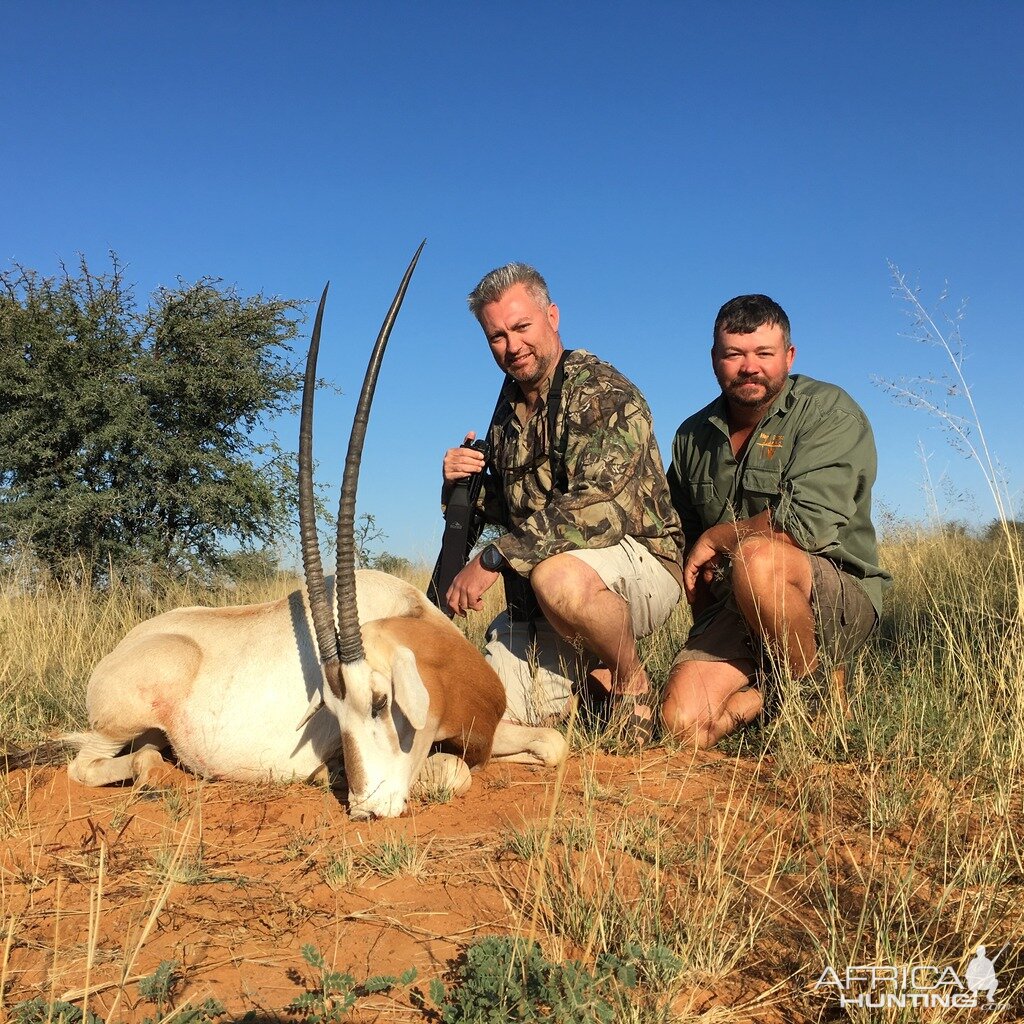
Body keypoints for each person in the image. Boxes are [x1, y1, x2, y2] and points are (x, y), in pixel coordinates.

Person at [443, 262, 683, 740]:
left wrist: (495, 557)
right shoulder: (508, 410)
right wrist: (458, 485)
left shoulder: (602, 390)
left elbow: (596, 508)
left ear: (552, 316)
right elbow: (514, 507)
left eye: (521, 327)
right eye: (496, 336)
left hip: (636, 564)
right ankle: (588, 688)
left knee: (558, 576)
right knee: (483, 718)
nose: (512, 347)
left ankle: (632, 684)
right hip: (542, 590)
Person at [662, 294, 890, 748]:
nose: (750, 367)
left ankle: (817, 698)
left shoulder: (828, 411)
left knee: (757, 558)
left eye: (764, 354)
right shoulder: (691, 435)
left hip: (831, 594)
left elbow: (805, 525)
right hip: (736, 606)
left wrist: (720, 536)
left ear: (788, 356)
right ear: (714, 359)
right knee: (681, 725)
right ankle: (771, 693)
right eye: (734, 354)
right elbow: (680, 541)